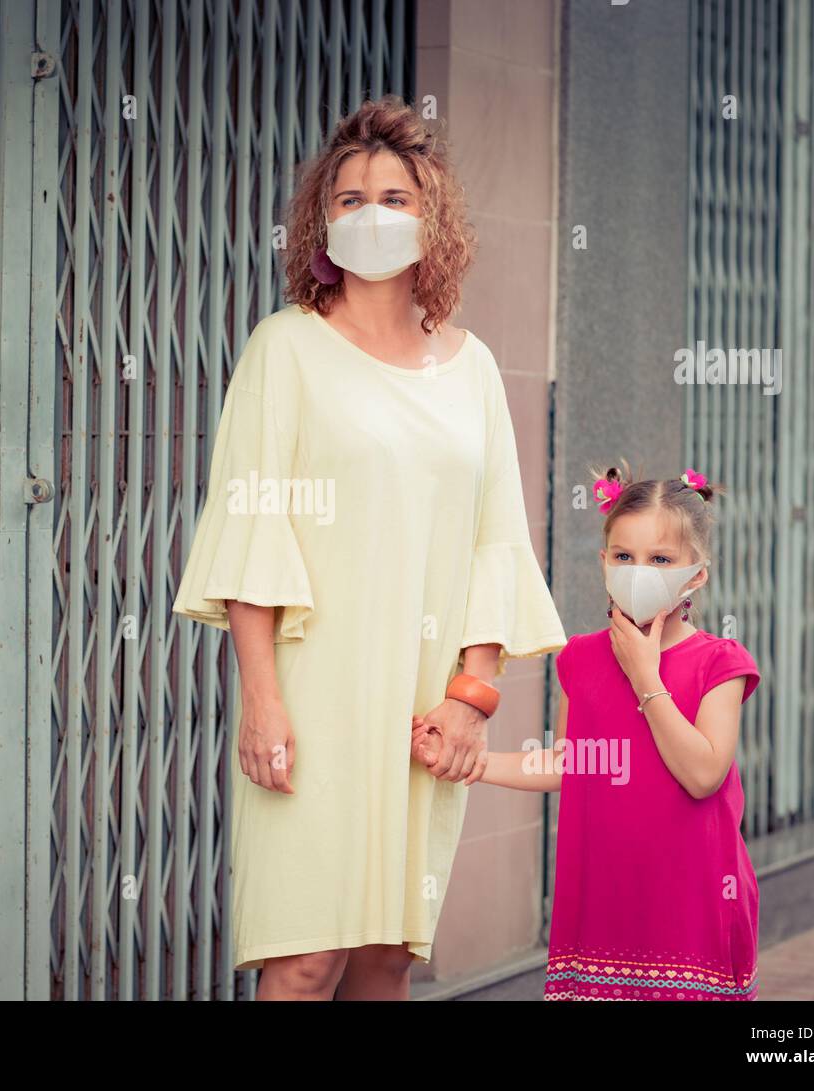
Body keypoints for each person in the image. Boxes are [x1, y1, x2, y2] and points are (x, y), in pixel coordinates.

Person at [171, 96, 565, 1000]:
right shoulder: (285, 350)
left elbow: (495, 541)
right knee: (305, 961)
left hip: (425, 706)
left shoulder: (471, 369)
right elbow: (251, 530)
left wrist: (473, 697)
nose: (372, 213)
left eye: (394, 195)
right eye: (349, 198)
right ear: (322, 219)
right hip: (312, 702)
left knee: (386, 958)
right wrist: (262, 701)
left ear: (432, 221)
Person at [413, 464, 762, 1000]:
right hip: (604, 903)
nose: (638, 571)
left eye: (660, 560)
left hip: (692, 905)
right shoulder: (581, 658)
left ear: (696, 575)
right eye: (624, 557)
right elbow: (572, 763)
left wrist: (646, 678)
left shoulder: (720, 663)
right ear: (603, 563)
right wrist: (470, 759)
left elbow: (702, 775)